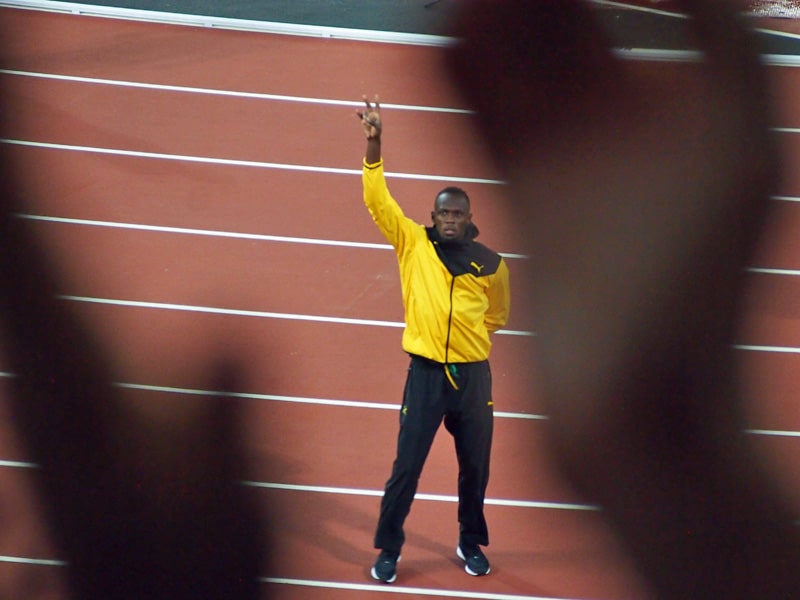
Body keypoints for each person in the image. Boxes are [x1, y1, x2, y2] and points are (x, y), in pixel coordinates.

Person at [356, 96, 511, 584]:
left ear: (468, 217)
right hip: (424, 375)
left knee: (475, 470)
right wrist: (374, 141)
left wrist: (465, 347)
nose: (448, 219)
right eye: (442, 212)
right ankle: (388, 551)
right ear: (433, 215)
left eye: (457, 213)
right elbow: (376, 200)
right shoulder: (412, 243)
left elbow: (497, 316)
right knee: (406, 469)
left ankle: (470, 544)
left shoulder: (491, 263)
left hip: (472, 380)